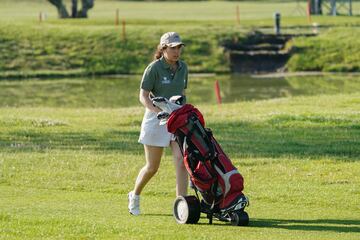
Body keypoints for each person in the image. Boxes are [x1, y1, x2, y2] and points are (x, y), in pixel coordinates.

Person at [128, 32, 189, 215]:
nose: (176, 51)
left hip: (177, 117)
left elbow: (182, 94)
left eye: (179, 47)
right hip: (156, 120)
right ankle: (135, 195)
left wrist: (186, 114)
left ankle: (182, 205)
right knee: (152, 167)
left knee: (181, 161)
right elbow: (143, 96)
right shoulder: (153, 68)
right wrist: (157, 111)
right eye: (172, 48)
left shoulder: (183, 67)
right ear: (163, 48)